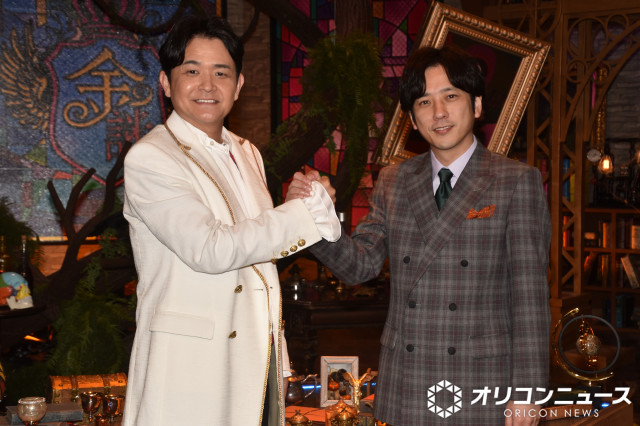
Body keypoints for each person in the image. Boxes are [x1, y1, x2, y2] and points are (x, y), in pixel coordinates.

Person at [289, 46, 551, 425]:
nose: (439, 112)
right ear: (412, 119)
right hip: (408, 379)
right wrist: (313, 217)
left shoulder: (515, 180)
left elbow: (529, 299)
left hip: (480, 378)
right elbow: (360, 266)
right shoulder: (394, 180)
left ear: (477, 105)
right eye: (424, 102)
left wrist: (527, 394)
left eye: (451, 96)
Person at [122, 16, 340, 426]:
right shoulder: (151, 157)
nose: (207, 85)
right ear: (166, 83)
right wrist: (302, 214)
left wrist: (291, 206)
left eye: (221, 73)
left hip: (256, 362)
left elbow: (257, 254)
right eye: (192, 71)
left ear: (238, 85)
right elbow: (211, 249)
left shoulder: (247, 151)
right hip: (190, 366)